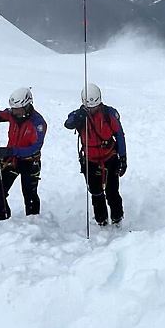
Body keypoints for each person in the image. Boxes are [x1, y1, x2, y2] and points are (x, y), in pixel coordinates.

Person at [65, 83, 127, 226]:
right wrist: (78, 117)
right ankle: (101, 220)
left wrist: (123, 158)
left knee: (112, 191)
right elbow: (68, 123)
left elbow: (119, 135)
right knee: (96, 192)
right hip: (90, 160)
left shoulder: (109, 114)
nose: (92, 109)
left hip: (109, 157)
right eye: (89, 107)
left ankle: (117, 218)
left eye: (95, 106)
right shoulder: (79, 115)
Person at [0, 87, 47, 220]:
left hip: (29, 162)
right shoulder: (10, 114)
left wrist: (11, 151)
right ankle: (3, 221)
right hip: (10, 160)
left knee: (30, 195)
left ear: (28, 105)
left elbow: (35, 148)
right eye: (13, 108)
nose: (14, 112)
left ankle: (33, 223)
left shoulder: (38, 123)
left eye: (18, 109)